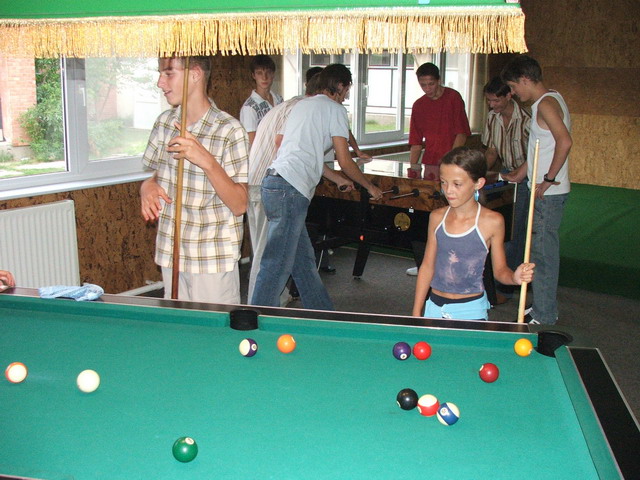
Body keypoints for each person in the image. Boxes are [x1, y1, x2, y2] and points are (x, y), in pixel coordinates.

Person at [251, 64, 383, 310]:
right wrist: (369, 187)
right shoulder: (335, 109)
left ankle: (322, 313)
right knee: (277, 263)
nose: (346, 95)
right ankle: (256, 317)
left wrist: (338, 179)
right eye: (347, 89)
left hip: (274, 183)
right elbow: (345, 160)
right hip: (290, 191)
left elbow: (302, 153)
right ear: (340, 86)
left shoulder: (302, 105)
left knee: (302, 261)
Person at [140, 56, 249, 304]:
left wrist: (206, 160)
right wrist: (148, 186)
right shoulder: (164, 123)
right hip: (172, 252)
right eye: (160, 74)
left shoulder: (229, 130)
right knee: (178, 327)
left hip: (212, 258)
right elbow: (157, 174)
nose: (160, 82)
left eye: (169, 73)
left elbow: (240, 204)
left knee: (214, 329)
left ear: (195, 74)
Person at [412, 147, 535, 321]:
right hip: (435, 306)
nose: (448, 190)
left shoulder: (492, 221)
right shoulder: (436, 217)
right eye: (444, 182)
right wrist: (416, 312)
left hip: (471, 310)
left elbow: (500, 271)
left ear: (478, 183)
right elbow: (427, 267)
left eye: (457, 184)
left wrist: (515, 278)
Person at [501, 55, 572, 325]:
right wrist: (522, 172)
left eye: (513, 86)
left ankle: (545, 314)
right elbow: (542, 147)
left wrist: (548, 178)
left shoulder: (545, 104)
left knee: (542, 255)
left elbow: (565, 141)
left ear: (525, 79)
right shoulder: (552, 97)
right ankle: (542, 306)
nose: (512, 93)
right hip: (544, 191)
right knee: (538, 252)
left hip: (548, 195)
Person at [406, 62, 471, 276]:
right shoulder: (418, 105)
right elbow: (416, 143)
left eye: (431, 84)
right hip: (429, 167)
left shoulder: (453, 98)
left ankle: (450, 263)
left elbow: (461, 133)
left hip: (452, 166)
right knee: (426, 216)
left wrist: (451, 163)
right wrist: (413, 170)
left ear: (439, 80)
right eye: (423, 85)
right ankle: (425, 262)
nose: (427, 89)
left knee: (451, 216)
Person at [481, 76, 532, 302]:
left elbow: (536, 154)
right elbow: (492, 151)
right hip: (505, 175)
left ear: (509, 95)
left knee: (514, 232)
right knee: (499, 229)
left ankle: (505, 289)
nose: (492, 105)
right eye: (489, 101)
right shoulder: (492, 117)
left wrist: (520, 173)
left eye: (496, 100)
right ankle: (496, 280)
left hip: (527, 177)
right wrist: (479, 172)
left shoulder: (528, 118)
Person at [240, 55, 283, 146]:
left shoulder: (279, 100)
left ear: (273, 74)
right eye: (259, 73)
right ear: (253, 75)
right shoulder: (250, 107)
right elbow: (252, 143)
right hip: (262, 153)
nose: (264, 77)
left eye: (268, 72)